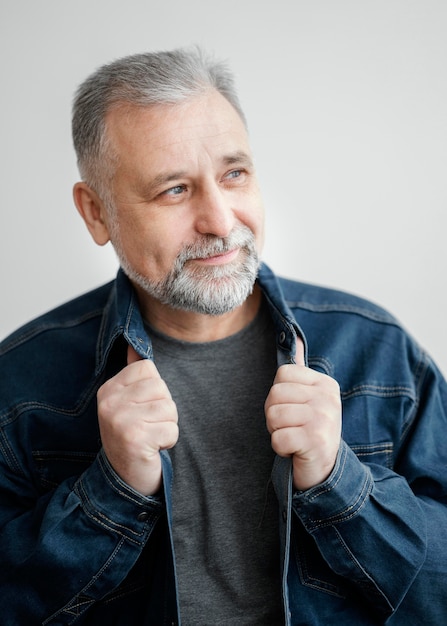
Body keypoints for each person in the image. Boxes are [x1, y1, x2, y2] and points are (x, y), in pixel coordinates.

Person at [0, 47, 445, 626]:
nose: (221, 220)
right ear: (96, 213)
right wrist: (107, 495)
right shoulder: (20, 386)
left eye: (234, 174)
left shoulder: (381, 354)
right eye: (175, 191)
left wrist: (343, 486)